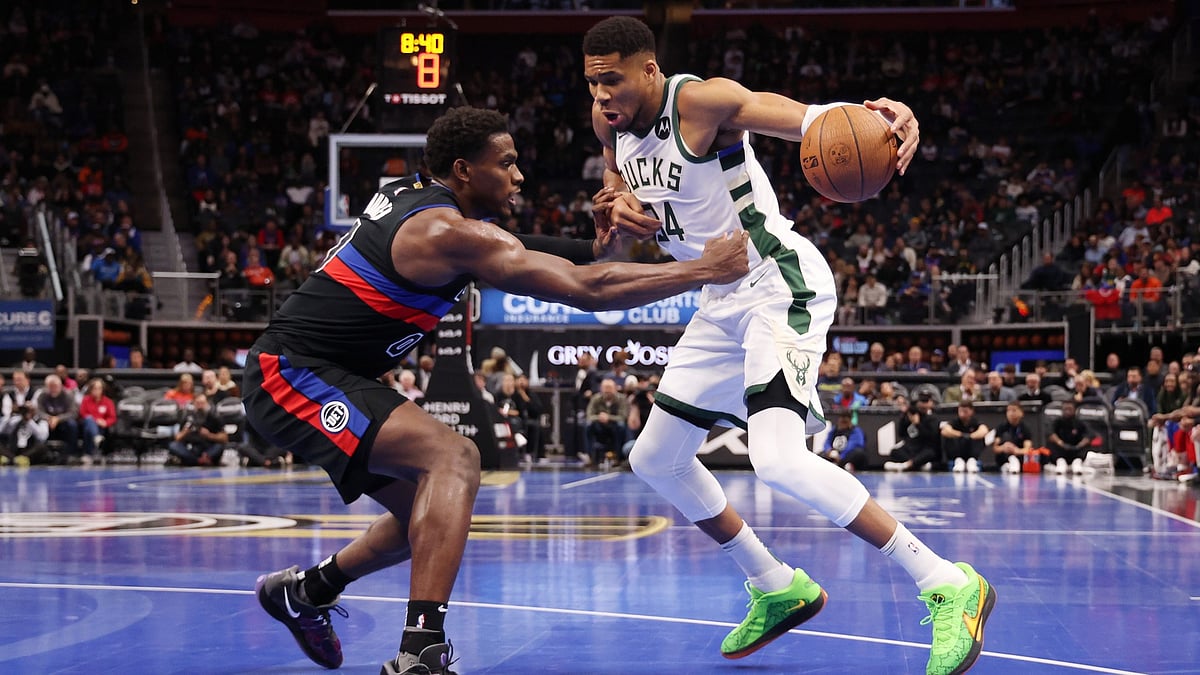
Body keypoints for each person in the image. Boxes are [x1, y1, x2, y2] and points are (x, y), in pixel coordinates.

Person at [243, 106, 748, 675]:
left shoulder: (426, 203)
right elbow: (585, 290)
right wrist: (702, 269)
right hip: (290, 374)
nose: (519, 176)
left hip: (334, 373)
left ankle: (307, 591)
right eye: (506, 163)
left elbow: (534, 248)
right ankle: (421, 654)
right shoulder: (443, 233)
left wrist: (596, 245)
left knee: (429, 522)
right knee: (454, 459)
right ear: (463, 170)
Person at [582, 17, 992, 675]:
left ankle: (946, 579)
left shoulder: (702, 102)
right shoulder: (609, 121)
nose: (602, 94)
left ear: (650, 70)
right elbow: (615, 193)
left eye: (613, 79)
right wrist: (612, 203)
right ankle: (776, 584)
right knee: (654, 456)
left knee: (775, 458)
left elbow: (806, 120)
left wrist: (883, 115)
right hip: (718, 301)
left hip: (777, 280)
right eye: (593, 81)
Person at [166, 393, 227, 467]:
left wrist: (209, 435)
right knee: (173, 445)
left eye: (202, 403)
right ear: (194, 403)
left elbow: (224, 438)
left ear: (207, 403)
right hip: (191, 447)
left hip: (208, 446)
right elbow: (177, 438)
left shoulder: (214, 417)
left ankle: (204, 458)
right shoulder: (188, 417)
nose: (200, 406)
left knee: (219, 446)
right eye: (198, 403)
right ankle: (198, 460)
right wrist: (185, 432)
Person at [883, 402, 943, 472]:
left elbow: (929, 437)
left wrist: (917, 424)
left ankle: (906, 465)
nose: (911, 416)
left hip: (924, 448)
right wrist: (903, 417)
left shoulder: (930, 419)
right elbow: (901, 434)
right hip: (912, 449)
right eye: (910, 414)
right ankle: (919, 465)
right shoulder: (907, 420)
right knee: (895, 452)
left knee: (930, 453)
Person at [941, 401, 990, 473]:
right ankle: (958, 461)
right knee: (950, 438)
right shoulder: (955, 422)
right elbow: (945, 431)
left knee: (978, 438)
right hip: (957, 451)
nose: (962, 414)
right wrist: (961, 435)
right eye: (960, 411)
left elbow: (984, 430)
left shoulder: (975, 422)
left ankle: (972, 461)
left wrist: (970, 436)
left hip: (971, 451)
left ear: (971, 411)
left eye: (965, 411)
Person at [1047, 400, 1094, 475]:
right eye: (1065, 409)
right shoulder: (1057, 422)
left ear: (1074, 410)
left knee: (1087, 446)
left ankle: (1077, 463)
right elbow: (1051, 434)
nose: (1067, 411)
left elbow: (1089, 436)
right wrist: (1061, 443)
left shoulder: (1080, 422)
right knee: (1051, 444)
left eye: (1070, 409)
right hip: (1061, 449)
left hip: (1076, 450)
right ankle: (1061, 463)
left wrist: (1079, 445)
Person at [78, 378, 116, 461]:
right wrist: (96, 420)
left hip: (102, 426)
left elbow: (112, 417)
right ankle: (96, 438)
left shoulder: (108, 402)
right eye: (95, 388)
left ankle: (89, 453)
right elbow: (82, 413)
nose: (97, 391)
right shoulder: (86, 400)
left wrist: (105, 422)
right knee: (89, 421)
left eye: (99, 388)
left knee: (90, 429)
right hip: (87, 423)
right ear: (91, 390)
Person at [992, 402, 1034, 473]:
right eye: (1008, 411)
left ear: (1021, 413)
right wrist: (1003, 448)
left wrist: (1016, 450)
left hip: (1019, 457)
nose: (1011, 413)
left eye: (1014, 410)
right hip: (1003, 459)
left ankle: (1014, 462)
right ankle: (1007, 465)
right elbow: (995, 448)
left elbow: (1028, 449)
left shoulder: (1025, 429)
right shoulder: (1001, 427)